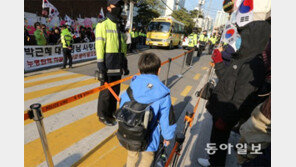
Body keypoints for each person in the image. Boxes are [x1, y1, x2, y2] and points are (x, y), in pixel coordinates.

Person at [197, 20, 271, 167]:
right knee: (217, 140)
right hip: (221, 110)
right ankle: (212, 161)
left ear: (254, 38)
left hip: (226, 114)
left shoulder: (254, 64)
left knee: (220, 142)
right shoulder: (242, 57)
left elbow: (242, 97)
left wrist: (226, 118)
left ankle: (215, 164)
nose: (240, 40)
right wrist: (218, 61)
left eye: (243, 38)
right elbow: (225, 78)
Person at [119, 52, 176, 167]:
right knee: (147, 158)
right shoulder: (163, 93)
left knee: (131, 155)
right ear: (159, 70)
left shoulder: (132, 87)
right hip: (149, 136)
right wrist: (167, 136)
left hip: (131, 132)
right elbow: (167, 119)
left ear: (139, 69)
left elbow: (122, 107)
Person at [95, 0, 129, 126]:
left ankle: (112, 113)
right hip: (107, 64)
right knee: (106, 93)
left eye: (120, 5)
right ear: (109, 8)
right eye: (116, 5)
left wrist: (124, 62)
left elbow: (123, 46)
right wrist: (101, 67)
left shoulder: (119, 25)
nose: (118, 8)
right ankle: (103, 115)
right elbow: (99, 47)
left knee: (116, 91)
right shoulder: (103, 24)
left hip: (118, 64)